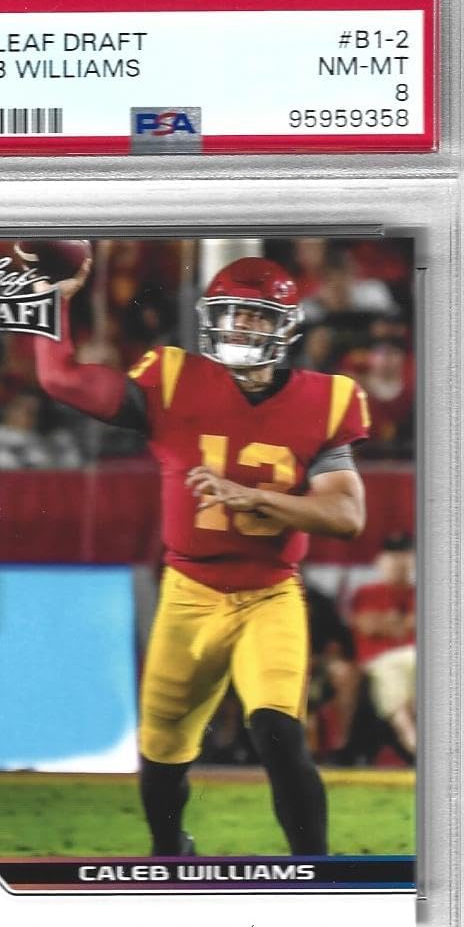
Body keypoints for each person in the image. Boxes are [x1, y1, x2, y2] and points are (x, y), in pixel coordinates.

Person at [34, 254, 370, 856]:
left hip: (269, 592)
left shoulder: (326, 399)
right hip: (188, 593)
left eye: (255, 315)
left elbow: (347, 515)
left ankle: (315, 871)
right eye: (232, 313)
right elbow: (63, 381)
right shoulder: (172, 379)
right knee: (163, 751)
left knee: (277, 729)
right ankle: (170, 850)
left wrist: (259, 499)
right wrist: (50, 304)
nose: (240, 325)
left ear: (287, 326)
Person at [349, 533, 416, 758]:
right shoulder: (367, 593)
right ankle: (413, 743)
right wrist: (405, 623)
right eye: (393, 557)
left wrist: (389, 623)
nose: (399, 562)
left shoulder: (422, 593)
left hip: (414, 659)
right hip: (378, 662)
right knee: (392, 674)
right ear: (380, 561)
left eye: (404, 556)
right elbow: (368, 625)